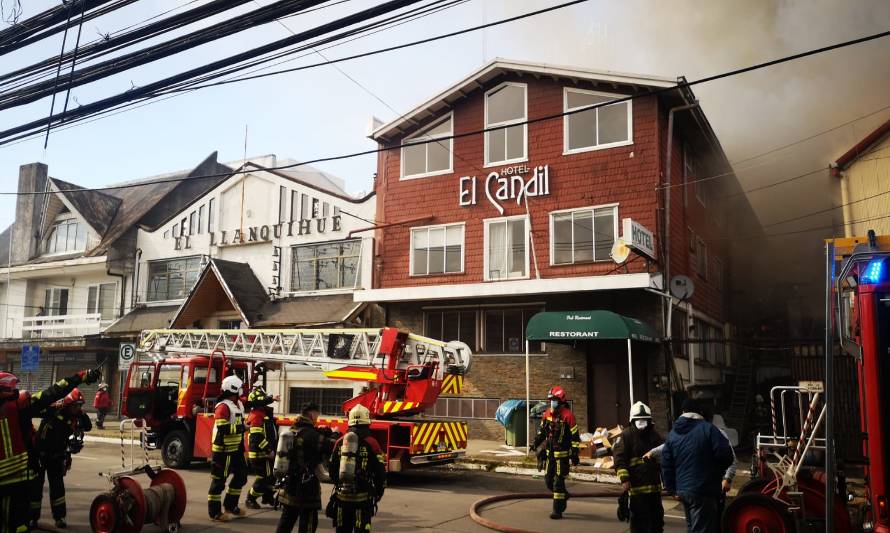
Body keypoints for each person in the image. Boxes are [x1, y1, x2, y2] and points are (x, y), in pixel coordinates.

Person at [0, 367, 100, 533]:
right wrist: (81, 376)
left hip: (42, 463)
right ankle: (32, 519)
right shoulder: (20, 407)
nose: (17, 392)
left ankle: (55, 516)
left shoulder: (25, 407)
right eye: (14, 389)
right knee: (19, 523)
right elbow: (54, 391)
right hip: (19, 479)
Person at [661, 399, 734, 533]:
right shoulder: (708, 429)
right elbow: (727, 456)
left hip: (683, 490)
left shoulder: (672, 434)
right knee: (702, 529)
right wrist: (717, 472)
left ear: (683, 412)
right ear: (699, 412)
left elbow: (666, 464)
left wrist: (672, 489)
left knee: (692, 527)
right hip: (703, 490)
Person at [30, 389, 92, 529]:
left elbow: (88, 426)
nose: (78, 408)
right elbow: (36, 411)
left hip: (57, 455)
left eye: (80, 405)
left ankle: (59, 517)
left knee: (58, 488)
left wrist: (81, 413)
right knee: (35, 487)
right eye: (76, 405)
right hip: (40, 454)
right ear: (68, 404)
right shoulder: (55, 410)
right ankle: (32, 518)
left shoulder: (77, 415)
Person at [276, 402, 336, 533]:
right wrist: (333, 435)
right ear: (311, 414)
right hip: (307, 486)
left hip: (290, 483)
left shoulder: (293, 430)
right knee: (308, 522)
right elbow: (330, 446)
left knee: (286, 520)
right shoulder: (311, 434)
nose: (317, 417)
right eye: (316, 414)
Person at [328, 405, 386, 533]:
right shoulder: (372, 443)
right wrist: (378, 492)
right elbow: (380, 471)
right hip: (362, 499)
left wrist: (339, 483)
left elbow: (332, 468)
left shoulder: (340, 441)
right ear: (367, 422)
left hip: (342, 498)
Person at [612, 401, 664, 533]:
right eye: (638, 421)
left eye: (644, 421)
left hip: (654, 490)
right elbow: (619, 458)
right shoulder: (626, 435)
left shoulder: (655, 436)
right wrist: (624, 479)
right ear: (632, 420)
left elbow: (663, 458)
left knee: (657, 523)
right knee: (639, 524)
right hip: (637, 491)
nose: (641, 425)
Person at [531, 386, 581, 519]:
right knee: (548, 481)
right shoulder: (547, 414)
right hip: (549, 456)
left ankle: (557, 510)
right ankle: (564, 495)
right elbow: (542, 432)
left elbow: (575, 437)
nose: (551, 402)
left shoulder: (568, 416)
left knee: (558, 483)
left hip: (562, 457)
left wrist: (575, 454)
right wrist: (535, 443)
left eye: (554, 399)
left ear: (561, 400)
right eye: (550, 400)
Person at [208, 375, 249, 522]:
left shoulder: (238, 404)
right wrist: (242, 427)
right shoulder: (223, 406)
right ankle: (215, 513)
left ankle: (231, 506)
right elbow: (223, 427)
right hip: (223, 450)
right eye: (240, 388)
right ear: (233, 389)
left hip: (236, 449)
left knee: (242, 476)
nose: (242, 390)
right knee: (219, 481)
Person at [245, 386, 278, 509]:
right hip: (260, 454)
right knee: (263, 478)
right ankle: (250, 498)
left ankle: (268, 497)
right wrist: (268, 450)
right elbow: (256, 437)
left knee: (273, 477)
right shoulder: (256, 415)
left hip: (266, 453)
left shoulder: (263, 413)